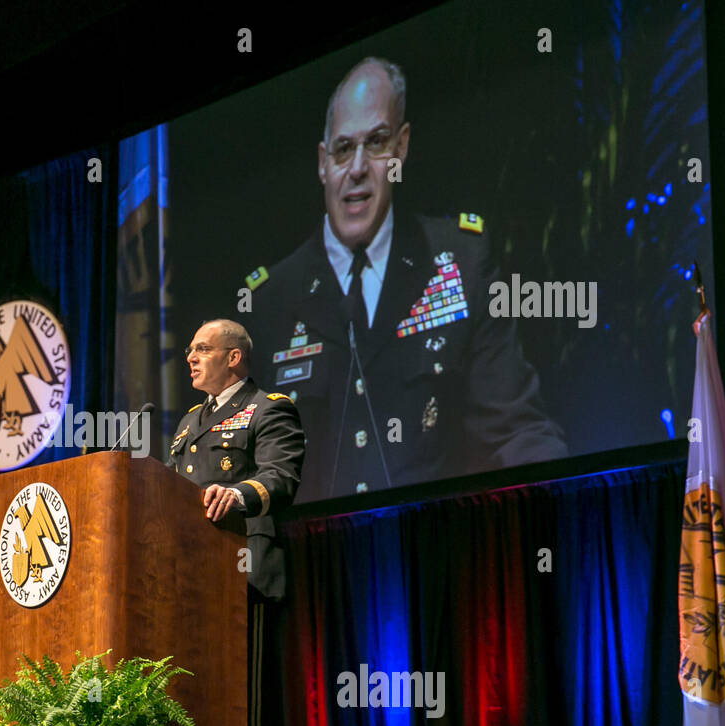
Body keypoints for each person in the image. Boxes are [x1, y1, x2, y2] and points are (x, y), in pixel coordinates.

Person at [244, 56, 567, 503]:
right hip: (316, 567)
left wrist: (563, 503)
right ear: (323, 163)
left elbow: (516, 433)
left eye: (375, 143)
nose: (356, 168)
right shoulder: (271, 301)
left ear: (401, 147)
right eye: (342, 149)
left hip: (440, 556)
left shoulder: (459, 264)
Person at [168, 318, 306, 603]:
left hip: (242, 558)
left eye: (203, 349)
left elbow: (280, 477)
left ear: (233, 357)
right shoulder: (189, 419)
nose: (191, 358)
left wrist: (235, 495)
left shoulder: (268, 407)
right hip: (186, 565)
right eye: (190, 351)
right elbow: (168, 483)